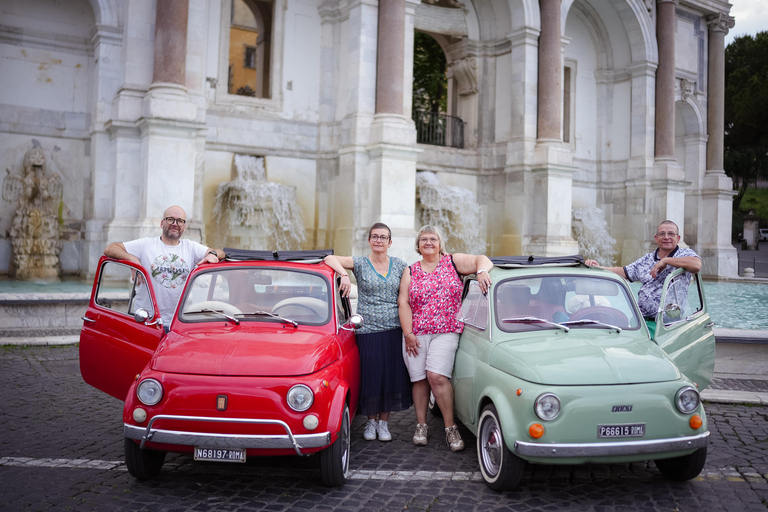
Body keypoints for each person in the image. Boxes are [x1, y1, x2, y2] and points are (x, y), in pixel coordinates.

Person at [398, 225, 492, 451]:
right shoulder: (410, 270)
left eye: (433, 239)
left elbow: (483, 259)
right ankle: (421, 425)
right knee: (419, 379)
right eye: (423, 239)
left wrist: (481, 271)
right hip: (416, 334)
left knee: (437, 376)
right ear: (418, 245)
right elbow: (404, 302)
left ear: (440, 243)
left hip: (446, 330)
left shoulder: (452, 262)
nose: (428, 242)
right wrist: (408, 333)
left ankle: (450, 428)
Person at [324, 223, 413, 442]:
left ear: (390, 242)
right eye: (375, 236)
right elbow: (328, 258)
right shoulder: (361, 263)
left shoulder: (401, 265)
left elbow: (405, 298)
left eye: (383, 237)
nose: (379, 240)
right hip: (367, 331)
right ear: (369, 240)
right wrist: (343, 274)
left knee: (389, 377)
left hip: (393, 330)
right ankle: (370, 422)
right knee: (371, 376)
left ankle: (384, 423)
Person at [104, 205, 224, 331]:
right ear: (162, 223)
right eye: (170, 219)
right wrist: (131, 258)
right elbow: (110, 249)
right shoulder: (146, 245)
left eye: (180, 221)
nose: (175, 223)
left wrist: (213, 254)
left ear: (184, 226)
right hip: (147, 321)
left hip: (179, 323)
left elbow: (220, 252)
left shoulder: (191, 247)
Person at [585, 220, 701, 337]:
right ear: (656, 238)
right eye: (662, 234)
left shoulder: (684, 254)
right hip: (641, 321)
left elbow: (696, 265)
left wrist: (666, 260)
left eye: (671, 234)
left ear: (678, 238)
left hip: (668, 324)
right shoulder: (647, 259)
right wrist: (598, 268)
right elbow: (624, 272)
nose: (666, 237)